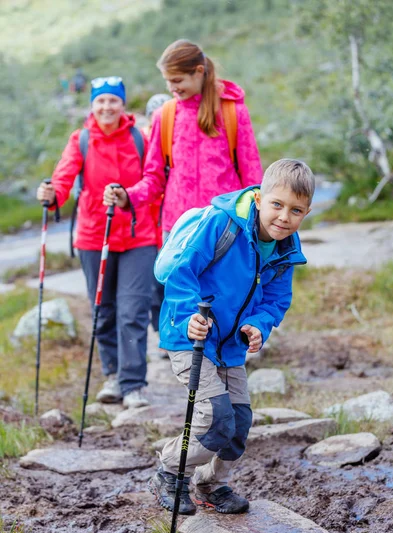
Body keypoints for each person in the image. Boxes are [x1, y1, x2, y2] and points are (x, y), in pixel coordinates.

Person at [151, 158, 314, 515]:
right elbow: (182, 272)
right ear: (259, 198)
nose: (284, 217)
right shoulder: (222, 223)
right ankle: (170, 471)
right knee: (215, 417)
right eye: (277, 204)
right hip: (190, 337)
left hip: (229, 347)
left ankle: (211, 485)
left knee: (239, 423)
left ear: (306, 212)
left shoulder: (287, 250)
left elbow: (276, 300)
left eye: (296, 210)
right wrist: (189, 316)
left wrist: (259, 324)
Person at [36, 77, 157, 409]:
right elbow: (63, 178)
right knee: (103, 310)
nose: (107, 107)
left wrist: (127, 198)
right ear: (92, 105)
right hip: (94, 236)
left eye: (113, 101)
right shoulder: (82, 140)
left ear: (123, 104)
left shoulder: (139, 138)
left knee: (133, 310)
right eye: (101, 101)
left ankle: (133, 385)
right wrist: (51, 196)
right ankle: (113, 376)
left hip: (138, 235)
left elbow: (153, 180)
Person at [103, 39, 263, 238]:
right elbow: (154, 178)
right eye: (167, 81)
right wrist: (128, 197)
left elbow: (252, 176)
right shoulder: (164, 115)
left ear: (198, 71)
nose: (171, 88)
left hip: (226, 228)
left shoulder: (234, 112)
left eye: (177, 80)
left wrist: (260, 224)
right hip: (178, 230)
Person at [142, 93, 171, 344]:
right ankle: (160, 330)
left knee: (168, 277)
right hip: (148, 222)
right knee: (155, 282)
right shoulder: (143, 141)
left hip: (168, 218)